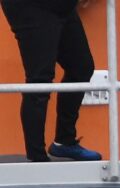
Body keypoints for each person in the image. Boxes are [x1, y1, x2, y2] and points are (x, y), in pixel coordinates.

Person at [0, 0, 101, 162]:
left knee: (81, 68)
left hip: (61, 5)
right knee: (40, 79)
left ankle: (64, 142)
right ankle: (37, 157)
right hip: (32, 6)